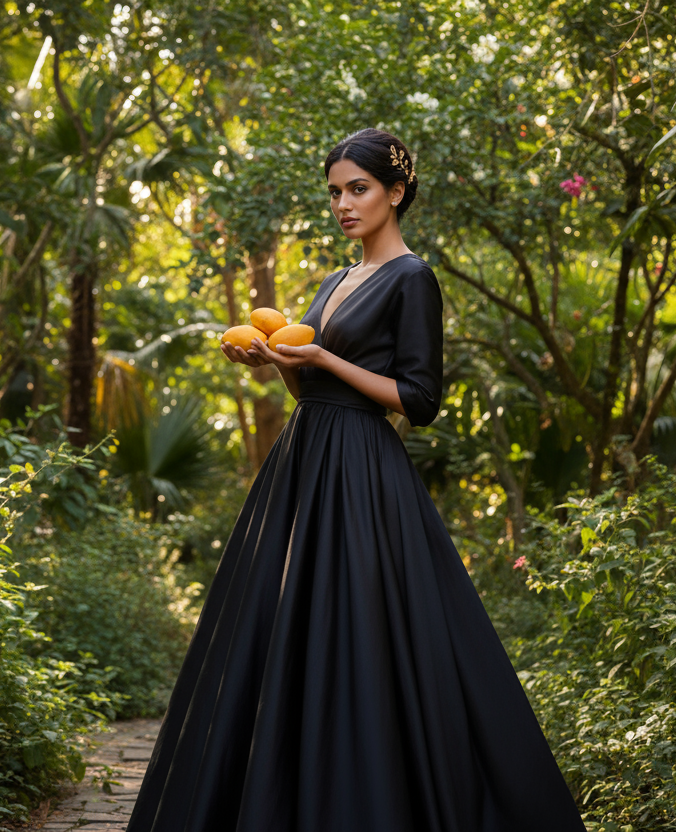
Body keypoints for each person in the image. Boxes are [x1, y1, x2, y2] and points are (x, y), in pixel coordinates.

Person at [125, 127, 587, 832]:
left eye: (358, 189)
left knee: (368, 639)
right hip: (303, 465)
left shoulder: (413, 278)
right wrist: (271, 360)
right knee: (285, 637)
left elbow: (420, 399)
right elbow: (306, 382)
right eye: (335, 191)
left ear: (395, 192)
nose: (343, 203)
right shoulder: (334, 281)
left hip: (365, 475)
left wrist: (321, 359)